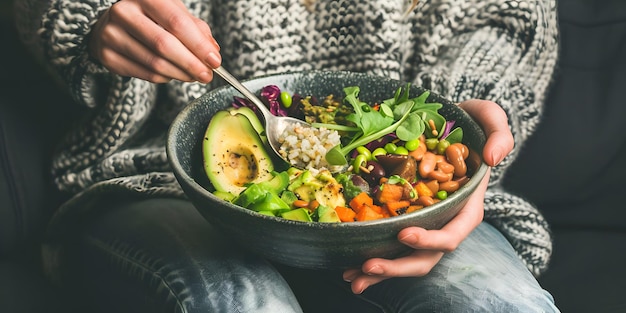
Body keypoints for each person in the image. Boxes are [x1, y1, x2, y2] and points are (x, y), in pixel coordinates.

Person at [14, 0, 560, 312]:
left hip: (407, 210)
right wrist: (91, 12)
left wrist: (459, 112)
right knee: (248, 303)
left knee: (496, 301)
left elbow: (503, 19)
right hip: (163, 178)